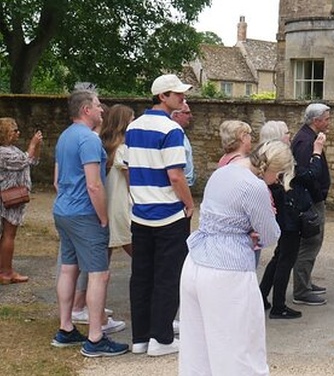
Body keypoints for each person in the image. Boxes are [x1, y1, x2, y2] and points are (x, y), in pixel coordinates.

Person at [179, 140, 286, 375]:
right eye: (279, 175)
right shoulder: (254, 187)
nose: (277, 181)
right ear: (272, 169)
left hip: (196, 260)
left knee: (197, 348)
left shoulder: (223, 172)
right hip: (228, 268)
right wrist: (252, 233)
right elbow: (269, 235)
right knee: (241, 348)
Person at [51, 90, 129, 356]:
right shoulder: (89, 140)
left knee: (68, 270)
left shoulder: (65, 136)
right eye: (97, 106)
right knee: (99, 274)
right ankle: (95, 338)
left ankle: (66, 328)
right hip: (85, 214)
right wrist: (104, 217)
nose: (101, 110)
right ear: (86, 110)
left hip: (63, 210)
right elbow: (94, 185)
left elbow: (56, 180)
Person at [125, 74, 195, 357]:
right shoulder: (171, 130)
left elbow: (129, 168)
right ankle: (162, 338)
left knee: (141, 275)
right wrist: (189, 204)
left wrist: (138, 197)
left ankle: (140, 337)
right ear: (162, 97)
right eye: (177, 94)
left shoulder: (133, 127)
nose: (182, 98)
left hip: (141, 212)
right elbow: (176, 175)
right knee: (168, 276)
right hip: (167, 214)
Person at [259, 120, 309, 319]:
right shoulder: (279, 158)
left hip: (281, 214)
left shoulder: (263, 155)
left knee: (279, 257)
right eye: (287, 132)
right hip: (288, 216)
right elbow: (305, 177)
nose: (290, 136)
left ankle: (262, 295)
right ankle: (279, 305)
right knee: (286, 259)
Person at [290, 103, 331, 306]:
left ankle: (306, 282)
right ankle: (301, 289)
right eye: (326, 119)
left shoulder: (308, 138)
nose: (328, 122)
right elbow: (306, 175)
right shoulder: (306, 142)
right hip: (309, 201)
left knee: (314, 241)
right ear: (316, 121)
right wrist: (317, 194)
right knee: (310, 242)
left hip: (313, 199)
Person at [0, 118, 42, 284]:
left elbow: (32, 161)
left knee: (6, 234)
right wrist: (32, 145)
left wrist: (37, 147)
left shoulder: (12, 149)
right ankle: (6, 272)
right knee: (9, 234)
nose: (18, 133)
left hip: (12, 196)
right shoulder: (3, 152)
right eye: (14, 130)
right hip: (9, 197)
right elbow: (24, 160)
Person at [100, 104, 135, 258]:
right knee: (130, 241)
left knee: (107, 246)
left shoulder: (107, 147)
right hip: (120, 203)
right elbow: (130, 181)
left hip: (109, 202)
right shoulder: (122, 150)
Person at [170, 102, 195, 187]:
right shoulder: (173, 136)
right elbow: (175, 172)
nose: (190, 116)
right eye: (187, 113)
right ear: (176, 115)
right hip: (179, 186)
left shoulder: (181, 133)